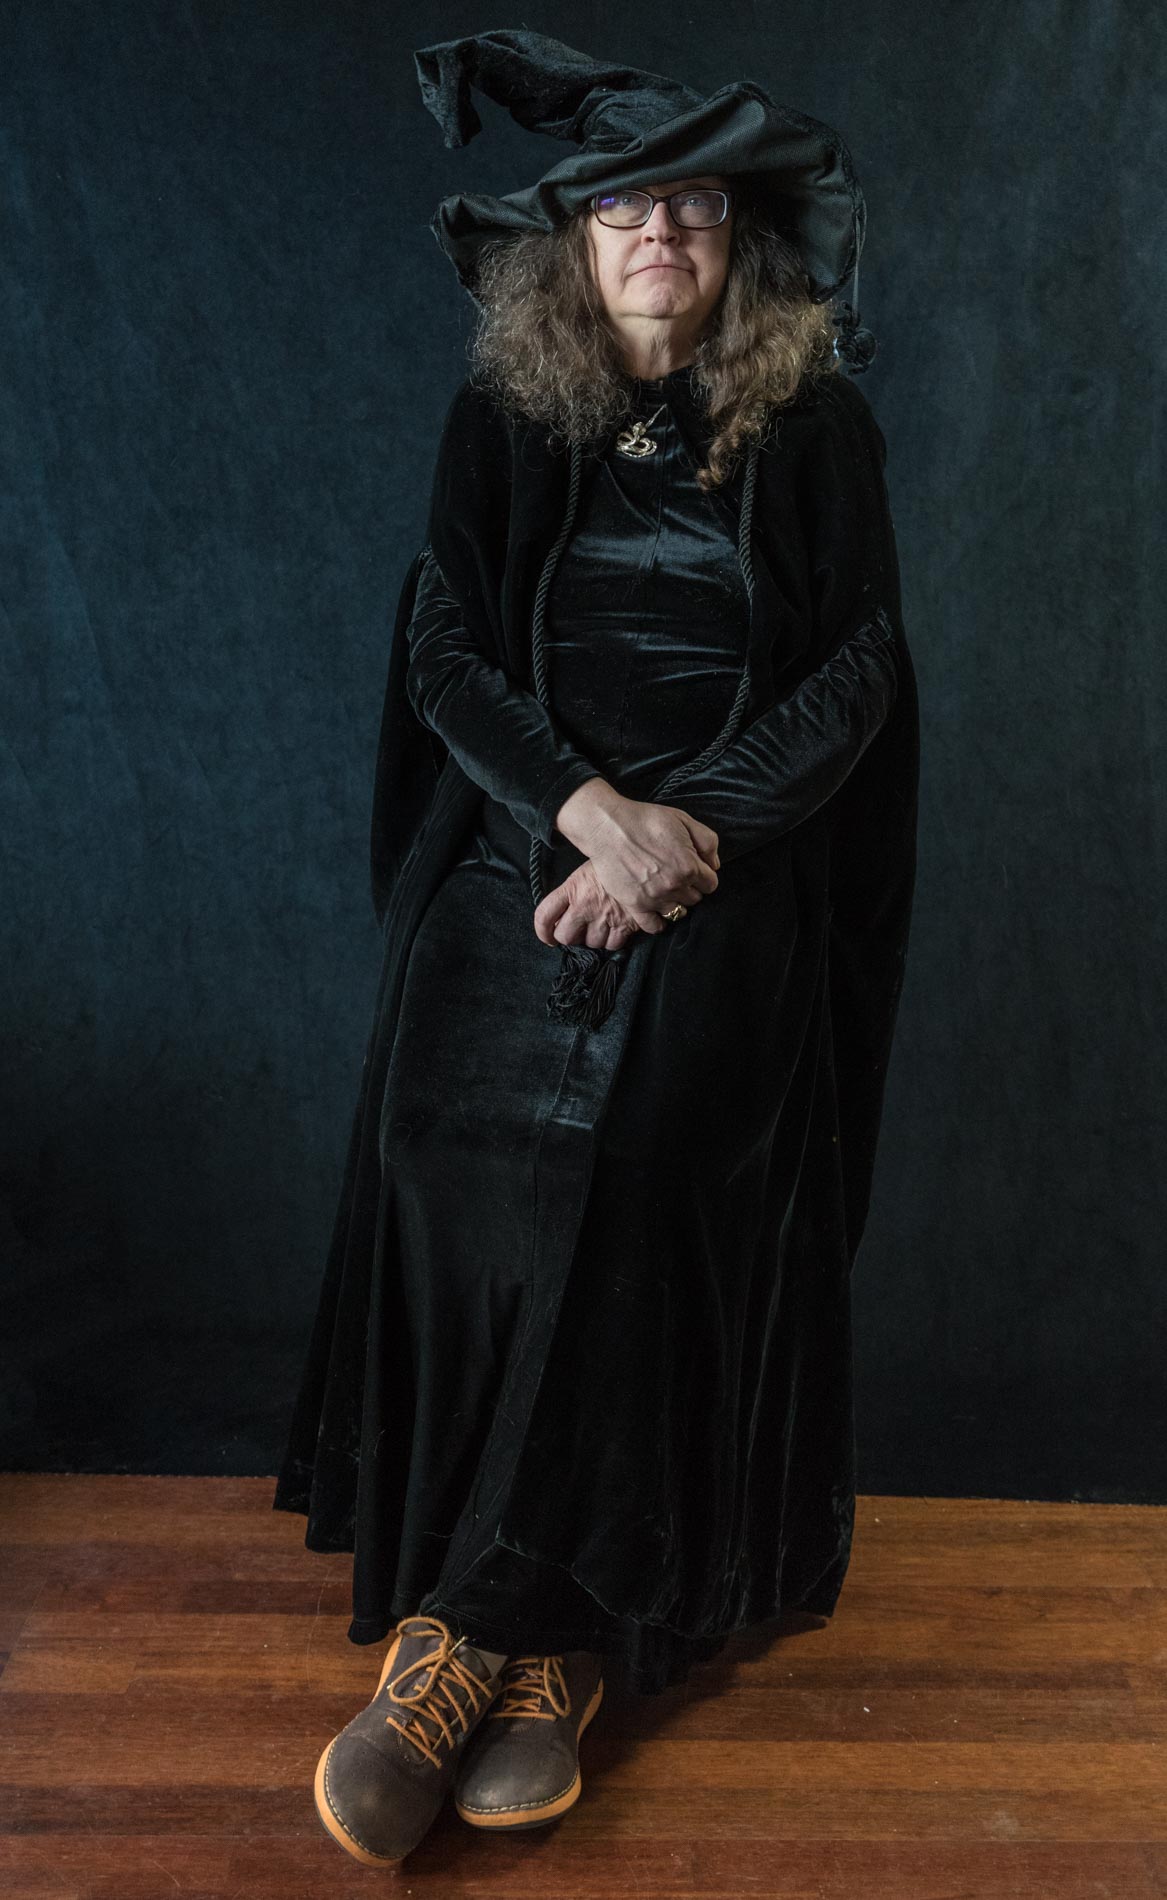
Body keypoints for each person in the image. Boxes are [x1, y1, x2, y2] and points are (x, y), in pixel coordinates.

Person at [273, 29, 920, 1870]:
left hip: (728, 865)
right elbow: (444, 651)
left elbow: (855, 672)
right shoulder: (504, 418)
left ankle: (484, 1640)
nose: (659, 234)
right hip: (527, 845)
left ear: (736, 243)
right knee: (446, 1141)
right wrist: (584, 814)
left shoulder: (813, 429)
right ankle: (526, 1628)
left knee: (637, 1165)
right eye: (626, 207)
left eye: (693, 207)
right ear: (574, 242)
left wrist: (681, 835)